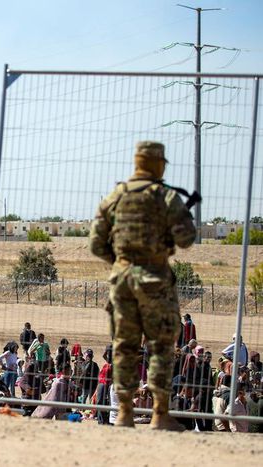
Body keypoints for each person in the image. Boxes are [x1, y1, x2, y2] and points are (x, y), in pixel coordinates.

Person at [89, 141, 196, 430]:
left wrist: (120, 262)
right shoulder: (165, 196)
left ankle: (124, 412)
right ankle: (160, 414)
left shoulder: (116, 196)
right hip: (154, 281)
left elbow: (96, 243)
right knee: (160, 345)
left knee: (124, 345)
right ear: (158, 164)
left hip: (121, 282)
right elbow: (186, 237)